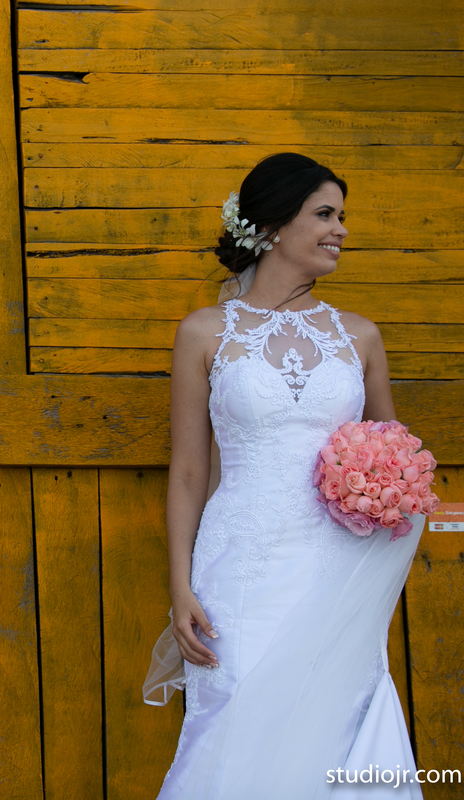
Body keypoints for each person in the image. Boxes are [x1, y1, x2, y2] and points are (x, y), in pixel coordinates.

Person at [143, 154, 424, 798]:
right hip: (240, 568)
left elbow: (399, 452)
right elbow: (188, 471)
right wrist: (180, 586)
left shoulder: (360, 337)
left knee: (335, 718)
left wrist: (388, 486)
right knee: (235, 720)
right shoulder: (204, 333)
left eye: (342, 216)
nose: (340, 230)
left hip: (337, 567)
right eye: (325, 214)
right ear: (272, 225)